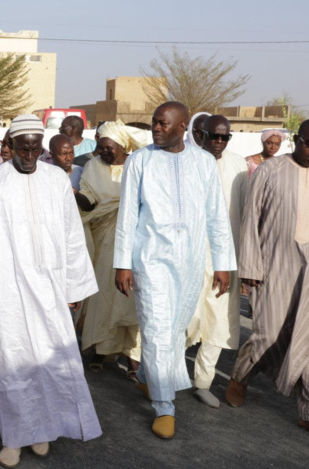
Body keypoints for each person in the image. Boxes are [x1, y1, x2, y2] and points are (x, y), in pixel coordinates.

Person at [0, 113, 101, 468]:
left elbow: (73, 237)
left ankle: (42, 430)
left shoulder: (57, 180)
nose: (28, 155)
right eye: (22, 148)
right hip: (5, 288)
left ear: (41, 147)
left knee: (49, 361)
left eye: (34, 148)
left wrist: (74, 286)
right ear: (10, 146)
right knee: (10, 364)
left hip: (50, 287)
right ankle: (13, 437)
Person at [114, 102, 236, 439]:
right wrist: (122, 262)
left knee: (175, 327)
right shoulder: (140, 160)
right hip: (151, 256)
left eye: (163, 124)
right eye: (154, 123)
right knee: (155, 326)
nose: (156, 128)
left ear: (183, 127)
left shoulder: (203, 162)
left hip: (191, 258)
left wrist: (223, 264)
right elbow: (127, 215)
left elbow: (216, 216)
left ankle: (146, 377)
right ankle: (164, 405)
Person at [225, 119, 309, 428]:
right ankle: (240, 377)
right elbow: (251, 219)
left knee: (307, 339)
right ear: (296, 140)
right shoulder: (270, 171)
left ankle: (307, 410)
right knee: (268, 333)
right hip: (274, 265)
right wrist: (250, 267)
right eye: (306, 143)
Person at [184, 115, 248, 408]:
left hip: (225, 258)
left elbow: (246, 214)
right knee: (186, 318)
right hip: (190, 256)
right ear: (201, 134)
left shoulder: (238, 166)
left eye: (225, 137)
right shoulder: (185, 162)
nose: (220, 142)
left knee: (218, 323)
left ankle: (203, 383)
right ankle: (165, 376)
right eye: (214, 136)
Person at [75, 121, 146, 378]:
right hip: (103, 242)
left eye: (108, 148)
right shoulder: (93, 166)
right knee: (103, 292)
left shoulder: (138, 164)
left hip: (134, 241)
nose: (103, 152)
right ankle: (100, 349)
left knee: (131, 300)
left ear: (123, 145)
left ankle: (132, 358)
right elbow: (90, 201)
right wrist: (74, 194)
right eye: (100, 147)